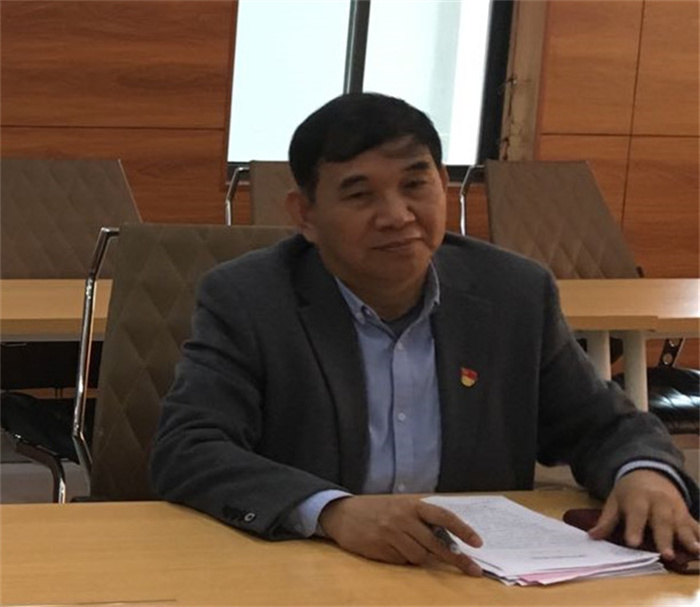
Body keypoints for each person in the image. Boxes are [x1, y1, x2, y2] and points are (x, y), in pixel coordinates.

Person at [150, 92, 699, 575]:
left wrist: (645, 475)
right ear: (306, 216)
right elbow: (189, 448)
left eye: (416, 185)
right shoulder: (250, 298)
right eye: (359, 195)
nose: (397, 215)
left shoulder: (513, 293)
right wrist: (331, 510)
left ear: (445, 188)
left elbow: (603, 425)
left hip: (466, 575)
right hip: (303, 569)